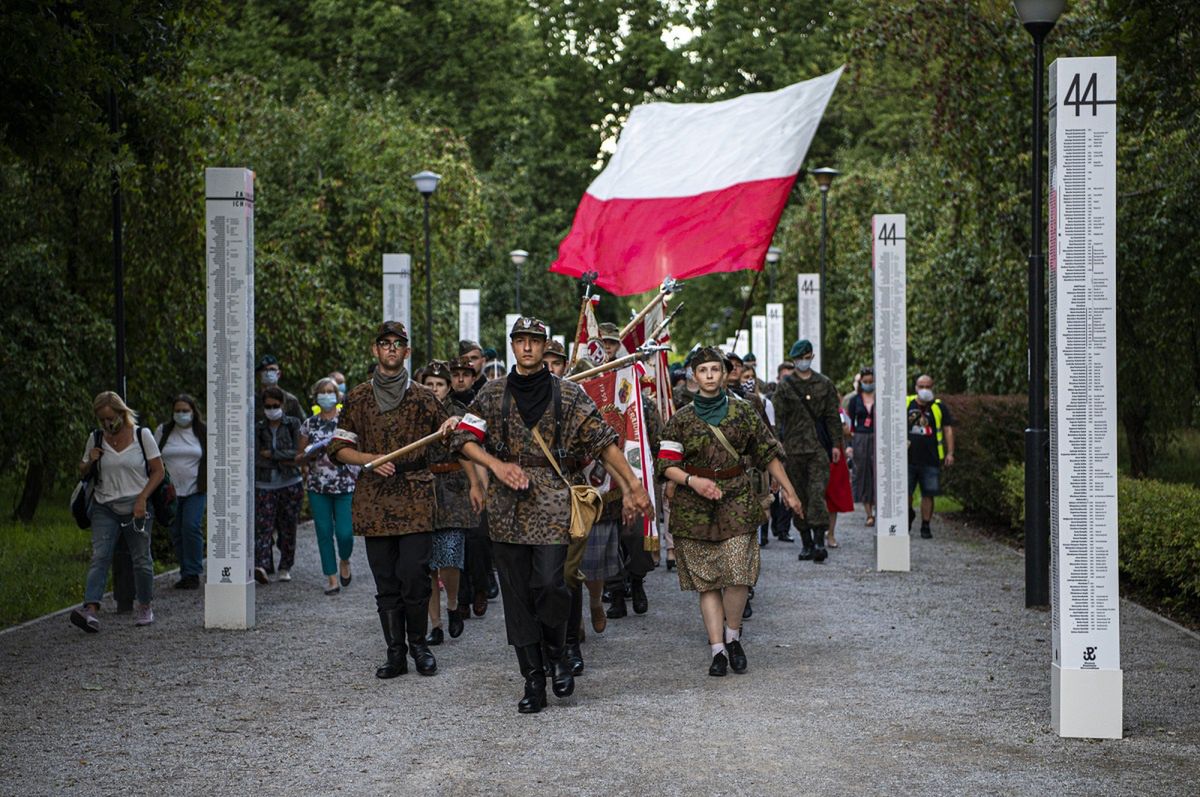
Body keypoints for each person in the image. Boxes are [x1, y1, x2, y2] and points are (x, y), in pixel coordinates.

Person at [451, 316, 652, 714]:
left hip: (553, 503)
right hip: (506, 508)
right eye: (520, 340)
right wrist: (494, 465)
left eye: (534, 341)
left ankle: (559, 654)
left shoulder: (569, 394)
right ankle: (533, 678)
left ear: (545, 347)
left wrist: (632, 485)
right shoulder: (492, 394)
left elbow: (603, 442)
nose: (527, 347)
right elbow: (463, 438)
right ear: (512, 345)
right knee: (517, 597)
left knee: (551, 584)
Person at [655, 347, 803, 676]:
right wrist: (692, 482)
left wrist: (790, 491)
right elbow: (666, 465)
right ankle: (717, 649)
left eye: (714, 369)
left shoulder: (743, 413)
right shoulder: (680, 419)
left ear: (724, 374)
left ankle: (733, 635)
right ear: (694, 376)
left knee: (738, 573)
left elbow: (768, 453)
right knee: (707, 582)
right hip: (694, 506)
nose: (709, 375)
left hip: (735, 497)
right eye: (702, 370)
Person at [328, 321, 448, 679]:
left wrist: (455, 428)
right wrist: (368, 460)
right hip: (375, 501)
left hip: (415, 497)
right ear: (375, 350)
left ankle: (419, 646)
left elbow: (449, 437)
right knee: (386, 582)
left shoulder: (426, 399)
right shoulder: (358, 398)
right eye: (385, 343)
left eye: (398, 344)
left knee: (415, 577)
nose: (392, 349)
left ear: (407, 352)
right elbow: (338, 447)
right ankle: (395, 653)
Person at [70, 391, 163, 632]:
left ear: (122, 413)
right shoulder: (96, 438)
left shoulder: (142, 435)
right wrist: (89, 460)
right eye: (102, 420)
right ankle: (90, 609)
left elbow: (158, 471)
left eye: (110, 418)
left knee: (141, 559)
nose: (107, 424)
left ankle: (144, 604)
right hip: (105, 505)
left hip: (137, 504)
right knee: (100, 556)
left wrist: (143, 498)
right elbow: (82, 470)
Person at [421, 361, 481, 645]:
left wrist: (476, 485)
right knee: (427, 565)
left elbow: (470, 449)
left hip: (454, 490)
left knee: (450, 557)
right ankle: (435, 625)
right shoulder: (416, 413)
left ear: (447, 387)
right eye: (429, 384)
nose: (434, 389)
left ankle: (454, 604)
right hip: (424, 491)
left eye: (439, 384)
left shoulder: (460, 413)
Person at [772, 339, 844, 563]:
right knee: (798, 496)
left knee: (816, 495)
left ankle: (820, 542)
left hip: (817, 449)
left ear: (811, 357)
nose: (802, 362)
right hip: (792, 451)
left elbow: (833, 416)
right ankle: (806, 542)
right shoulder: (785, 386)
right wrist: (776, 445)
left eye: (805, 357)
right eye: (798, 358)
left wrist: (836, 444)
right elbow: (777, 417)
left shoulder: (824, 384)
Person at [298, 378, 359, 595]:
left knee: (345, 533)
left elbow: (358, 447)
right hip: (318, 486)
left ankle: (345, 559)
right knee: (324, 532)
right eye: (322, 392)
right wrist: (309, 454)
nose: (326, 396)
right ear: (316, 396)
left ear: (337, 395)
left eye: (330, 391)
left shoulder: (347, 421)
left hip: (345, 484)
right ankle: (331, 578)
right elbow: (299, 456)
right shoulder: (309, 424)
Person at [156, 394, 207, 590]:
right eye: (177, 411)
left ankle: (193, 572)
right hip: (170, 491)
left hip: (195, 488)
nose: (181, 414)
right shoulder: (164, 431)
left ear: (193, 412)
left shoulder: (202, 432)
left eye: (185, 411)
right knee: (176, 531)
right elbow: (153, 454)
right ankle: (184, 571)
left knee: (191, 526)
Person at [254, 386, 304, 584]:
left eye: (275, 405)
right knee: (262, 527)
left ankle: (285, 565)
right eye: (268, 406)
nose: (272, 409)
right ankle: (262, 565)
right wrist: (285, 457)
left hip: (290, 482)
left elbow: (298, 453)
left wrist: (274, 454)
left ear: (282, 405)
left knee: (288, 527)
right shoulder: (258, 428)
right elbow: (258, 457)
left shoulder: (293, 424)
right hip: (265, 484)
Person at [907, 374, 955, 539]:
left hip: (931, 458)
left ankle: (926, 525)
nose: (925, 390)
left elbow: (947, 429)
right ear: (916, 387)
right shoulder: (907, 403)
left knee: (928, 493)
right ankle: (907, 514)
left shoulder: (938, 407)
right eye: (921, 386)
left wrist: (950, 452)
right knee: (905, 492)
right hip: (908, 458)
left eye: (928, 386)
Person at [846, 367, 877, 526]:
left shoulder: (880, 397)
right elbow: (850, 423)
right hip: (860, 438)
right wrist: (850, 444)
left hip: (877, 437)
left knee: (877, 471)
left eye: (871, 381)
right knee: (863, 473)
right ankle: (868, 513)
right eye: (865, 382)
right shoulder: (854, 400)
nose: (868, 384)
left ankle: (881, 507)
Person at [255, 354, 307, 422]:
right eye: (264, 370)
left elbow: (304, 426)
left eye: (272, 369)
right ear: (259, 374)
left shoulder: (290, 400)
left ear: (278, 374)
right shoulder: (252, 400)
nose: (268, 373)